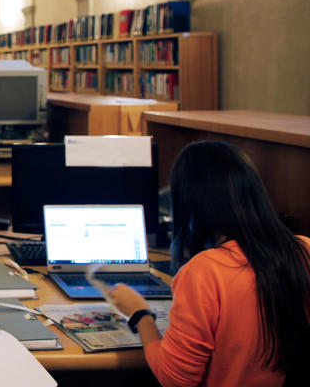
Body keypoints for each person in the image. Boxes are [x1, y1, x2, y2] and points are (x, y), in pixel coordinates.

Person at [110, 141, 310, 387]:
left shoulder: (205, 271)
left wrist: (141, 314)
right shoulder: (304, 250)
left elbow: (174, 380)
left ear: (190, 204)